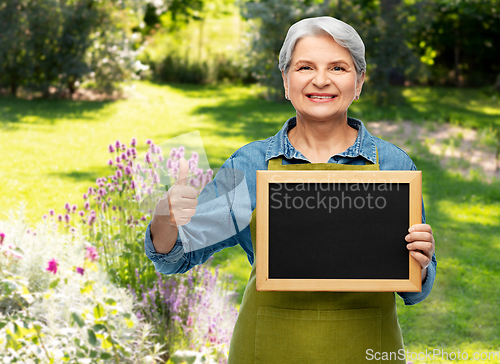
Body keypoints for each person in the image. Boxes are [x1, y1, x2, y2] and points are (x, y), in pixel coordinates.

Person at [145, 16, 436, 363]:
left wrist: (419, 263)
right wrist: (165, 218)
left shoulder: (393, 165)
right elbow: (176, 257)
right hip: (266, 348)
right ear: (285, 81)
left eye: (338, 68)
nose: (321, 80)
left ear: (359, 83)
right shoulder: (249, 165)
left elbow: (416, 289)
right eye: (305, 67)